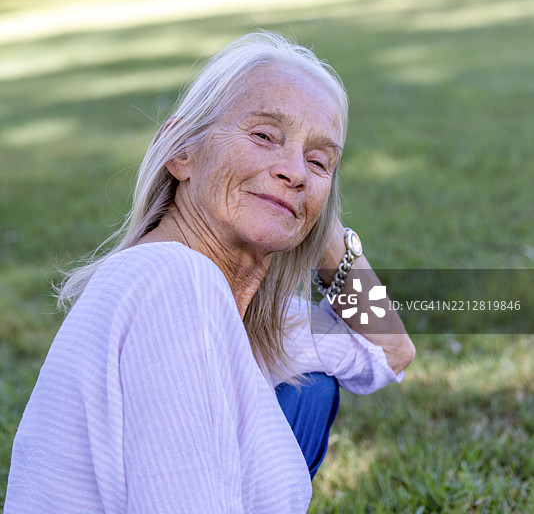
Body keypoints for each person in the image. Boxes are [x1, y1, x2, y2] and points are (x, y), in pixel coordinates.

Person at [5, 32, 415, 513]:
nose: (295, 171)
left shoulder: (233, 303)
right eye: (263, 136)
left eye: (318, 160)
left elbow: (390, 350)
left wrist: (316, 217)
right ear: (182, 151)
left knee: (310, 390)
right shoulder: (176, 283)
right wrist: (300, 186)